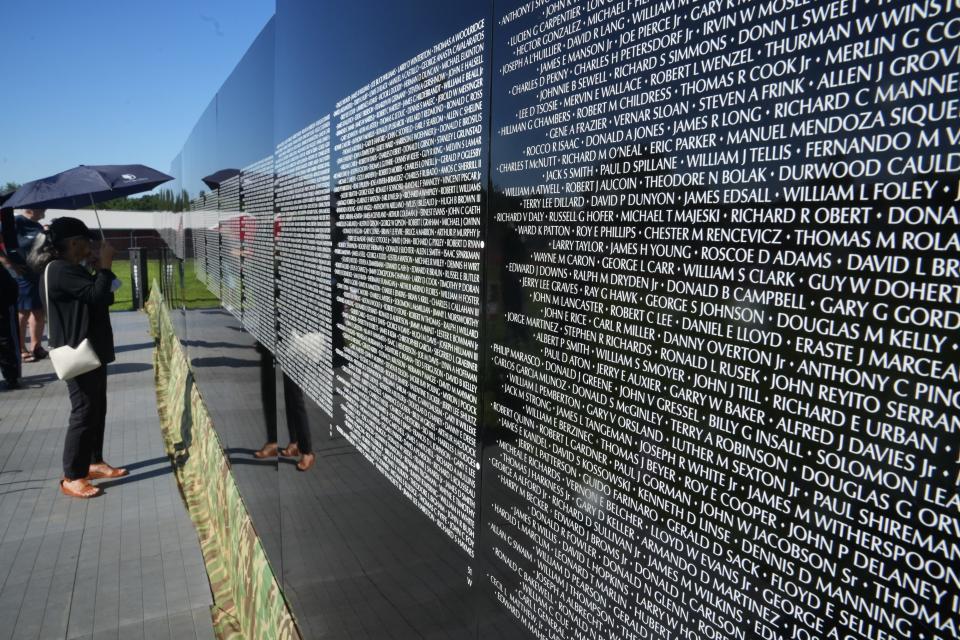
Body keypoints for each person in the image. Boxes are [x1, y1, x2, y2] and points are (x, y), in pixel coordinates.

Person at [42, 217, 127, 498]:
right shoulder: (60, 270)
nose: (91, 246)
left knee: (96, 407)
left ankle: (94, 461)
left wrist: (98, 270)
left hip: (90, 349)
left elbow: (105, 296)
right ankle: (73, 475)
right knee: (84, 411)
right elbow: (97, 293)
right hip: (76, 351)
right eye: (87, 242)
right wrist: (103, 266)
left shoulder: (71, 269)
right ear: (74, 243)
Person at [15, 208, 47, 362]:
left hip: (38, 274)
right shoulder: (17, 222)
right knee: (23, 312)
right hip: (22, 276)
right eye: (43, 207)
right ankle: (21, 348)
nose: (45, 210)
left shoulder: (39, 226)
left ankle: (37, 346)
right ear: (31, 208)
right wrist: (10, 264)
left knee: (39, 311)